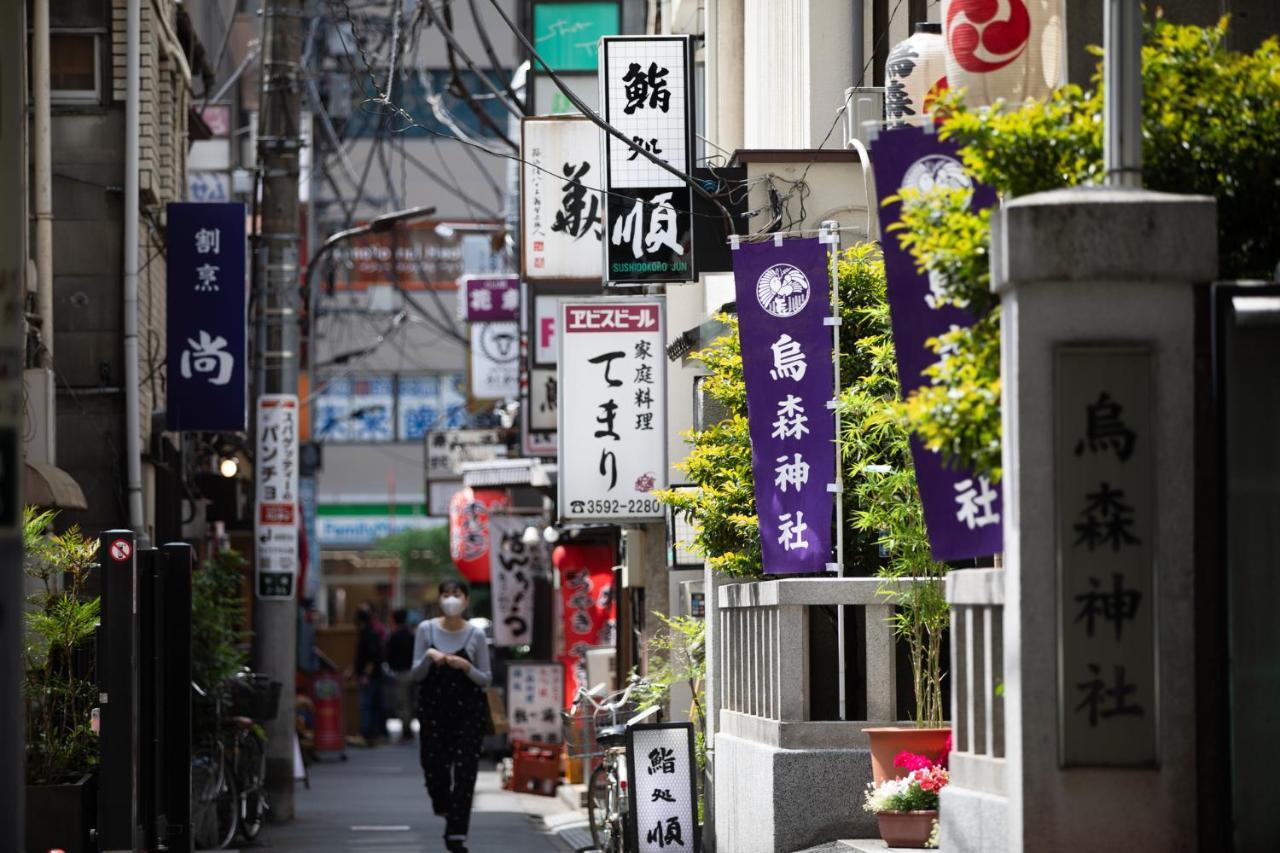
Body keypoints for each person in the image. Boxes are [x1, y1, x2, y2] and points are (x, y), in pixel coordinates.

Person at [411, 580, 492, 853]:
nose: (451, 599)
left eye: (456, 595)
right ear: (439, 599)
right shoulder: (426, 629)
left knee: (466, 772)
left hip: (469, 713)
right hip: (433, 711)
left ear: (466, 600)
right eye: (446, 595)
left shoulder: (476, 635)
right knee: (434, 768)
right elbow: (415, 674)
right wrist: (429, 656)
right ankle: (444, 807)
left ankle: (457, 833)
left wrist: (466, 666)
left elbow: (485, 679)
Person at [383, 607, 416, 741]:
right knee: (411, 701)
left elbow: (388, 654)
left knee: (403, 703)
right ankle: (408, 729)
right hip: (412, 672)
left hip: (401, 672)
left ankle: (406, 731)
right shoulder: (411, 634)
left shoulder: (394, 635)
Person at [353, 606, 385, 746]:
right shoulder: (372, 633)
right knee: (373, 705)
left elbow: (371, 657)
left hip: (370, 676)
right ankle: (373, 735)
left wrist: (366, 674)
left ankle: (366, 734)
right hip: (374, 675)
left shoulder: (367, 634)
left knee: (366, 705)